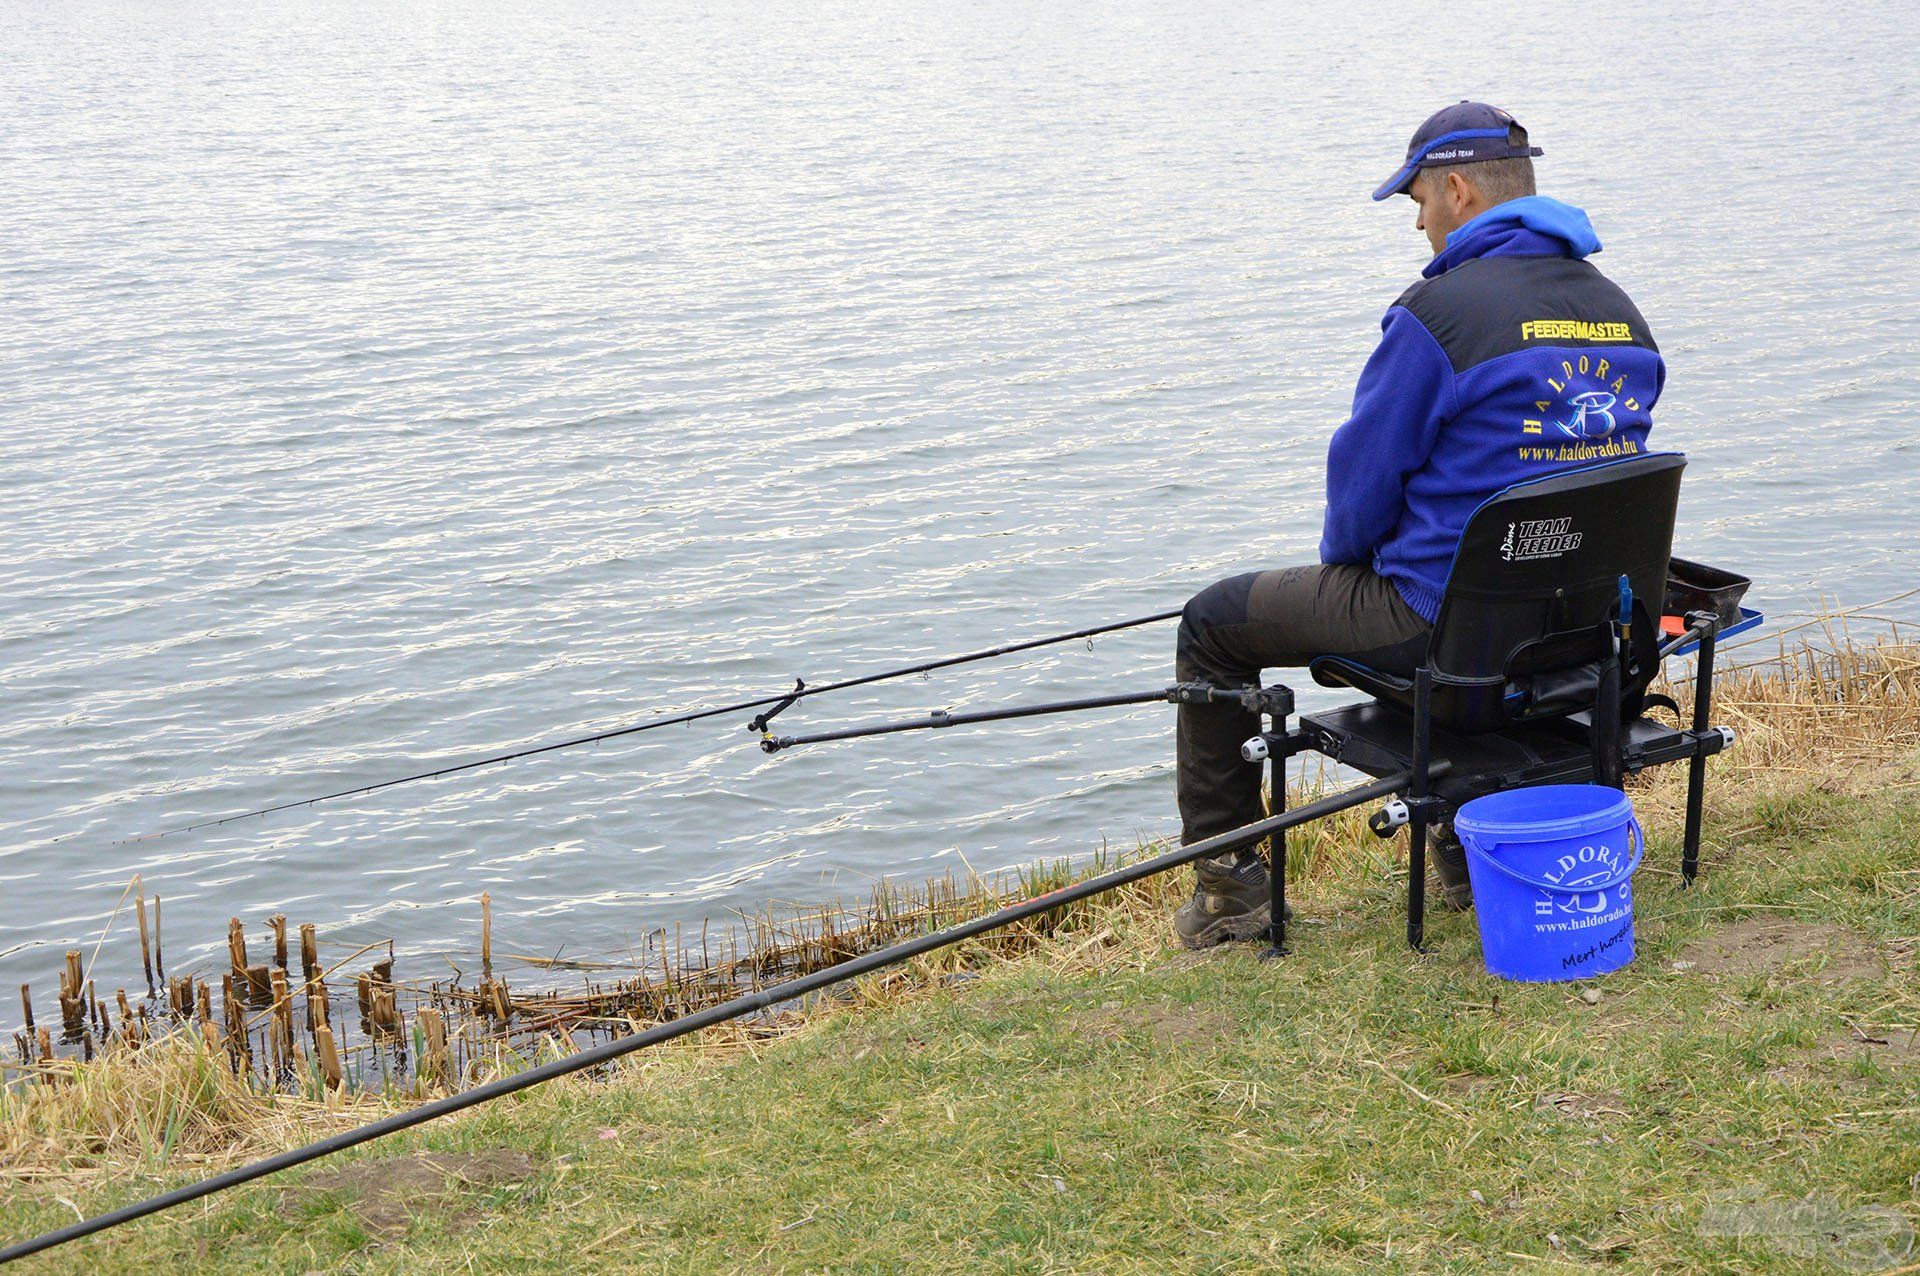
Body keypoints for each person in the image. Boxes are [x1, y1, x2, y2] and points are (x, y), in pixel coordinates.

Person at [1172, 101, 1666, 949]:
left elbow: (1359, 498)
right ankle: (1465, 858)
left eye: (1420, 206)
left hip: (1444, 631)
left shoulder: (1436, 317)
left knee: (1213, 624)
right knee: (1503, 576)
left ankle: (1234, 896)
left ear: (1459, 191)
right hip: (1582, 632)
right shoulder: (1623, 315)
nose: (1421, 227)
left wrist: (1352, 570)